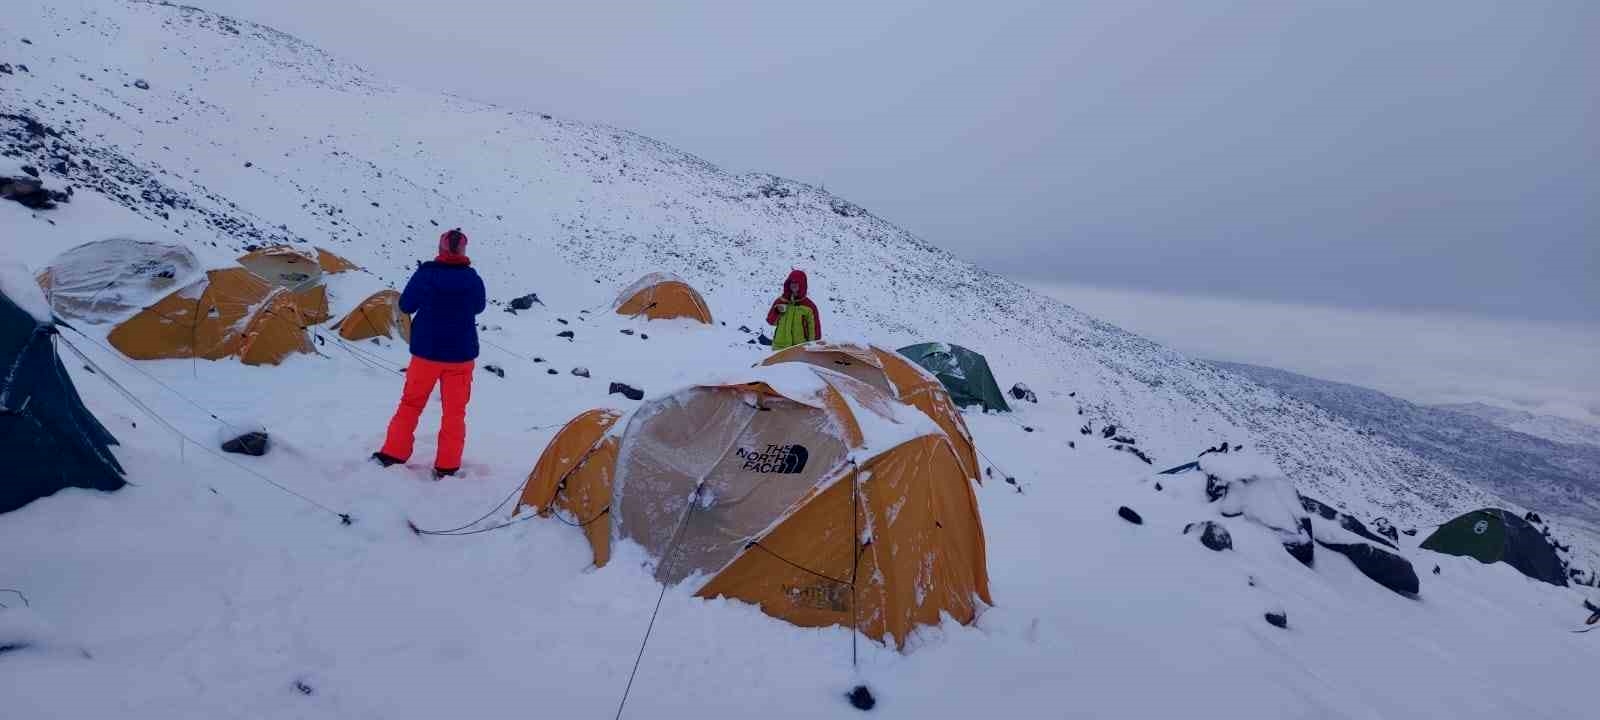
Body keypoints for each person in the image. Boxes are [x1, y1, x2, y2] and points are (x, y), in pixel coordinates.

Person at [371, 228, 487, 478]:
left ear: (440, 248)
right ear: (464, 250)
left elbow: (406, 305)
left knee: (411, 404)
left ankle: (393, 453)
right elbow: (479, 307)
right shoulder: (472, 278)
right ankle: (447, 465)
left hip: (426, 353)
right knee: (454, 412)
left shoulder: (426, 274)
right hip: (461, 355)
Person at [765, 268, 821, 350]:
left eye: (796, 282)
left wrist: (813, 348)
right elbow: (770, 321)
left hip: (799, 349)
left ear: (802, 284)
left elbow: (814, 331)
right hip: (780, 347)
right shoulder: (780, 301)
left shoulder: (809, 306)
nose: (793, 284)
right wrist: (777, 311)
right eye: (791, 282)